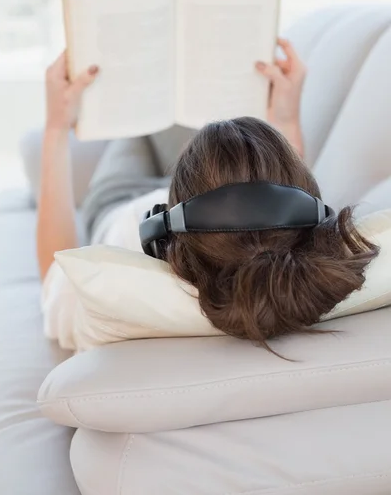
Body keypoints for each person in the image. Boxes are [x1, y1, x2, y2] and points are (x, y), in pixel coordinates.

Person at [37, 39, 378, 347]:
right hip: (199, 182)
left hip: (118, 200)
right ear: (317, 215)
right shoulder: (286, 266)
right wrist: (285, 119)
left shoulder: (117, 276)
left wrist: (56, 126)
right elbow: (277, 214)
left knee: (143, 116)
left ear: (156, 233)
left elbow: (53, 273)